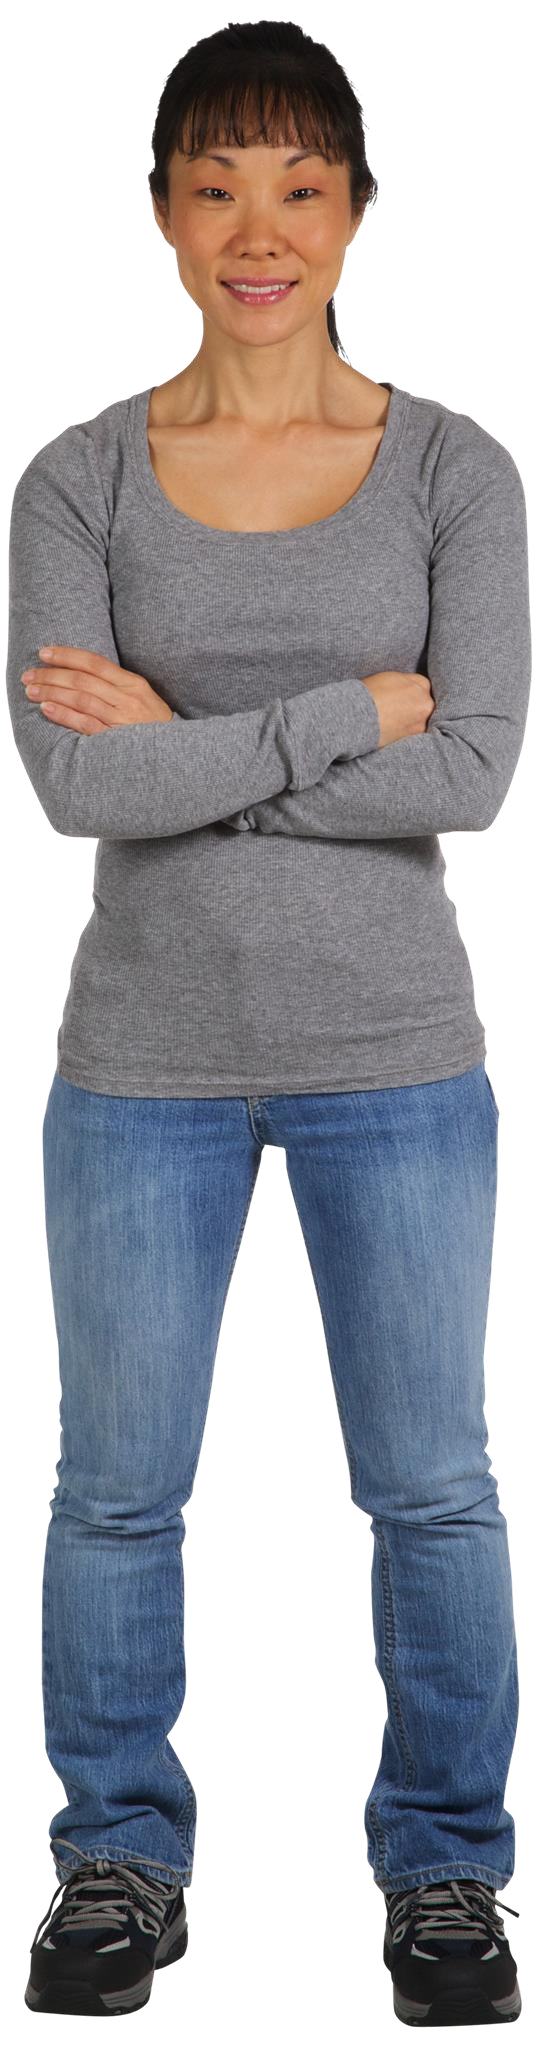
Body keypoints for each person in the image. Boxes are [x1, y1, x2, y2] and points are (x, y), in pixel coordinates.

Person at [13, 24, 528, 2023]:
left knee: (430, 1486)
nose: (258, 230)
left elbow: (471, 769)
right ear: (159, 215)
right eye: (215, 187)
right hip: (137, 1064)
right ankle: (117, 1861)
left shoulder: (450, 469)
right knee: (116, 1490)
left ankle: (449, 1875)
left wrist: (193, 744)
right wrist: (338, 716)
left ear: (355, 213)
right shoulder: (75, 479)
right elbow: (77, 786)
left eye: (299, 188)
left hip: (395, 1056)